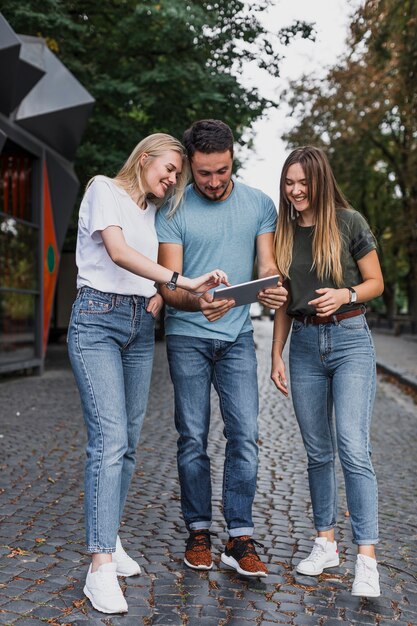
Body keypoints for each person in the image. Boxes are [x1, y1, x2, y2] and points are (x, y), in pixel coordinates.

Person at [67, 133, 228, 615]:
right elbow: (116, 253)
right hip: (95, 321)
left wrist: (157, 295)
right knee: (109, 438)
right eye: (170, 167)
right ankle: (98, 568)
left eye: (179, 172)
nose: (173, 177)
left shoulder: (152, 214)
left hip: (138, 326)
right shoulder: (103, 189)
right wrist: (177, 281)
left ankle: (109, 538)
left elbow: (147, 269)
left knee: (129, 441)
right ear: (144, 158)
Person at [156, 119, 288, 578]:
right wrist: (196, 299)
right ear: (191, 165)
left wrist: (273, 291)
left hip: (236, 338)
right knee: (192, 437)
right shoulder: (173, 208)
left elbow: (268, 265)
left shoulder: (259, 204)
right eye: (204, 173)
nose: (213, 182)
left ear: (234, 156)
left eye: (222, 171)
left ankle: (239, 536)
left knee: (245, 436)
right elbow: (168, 285)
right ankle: (197, 531)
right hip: (187, 335)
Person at [271, 146, 384, 597]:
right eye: (289, 182)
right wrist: (275, 354)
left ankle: (367, 558)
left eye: (303, 182)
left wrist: (345, 294)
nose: (295, 191)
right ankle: (325, 543)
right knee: (317, 452)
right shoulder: (282, 231)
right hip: (302, 346)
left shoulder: (349, 222)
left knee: (353, 447)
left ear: (319, 180)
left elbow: (376, 282)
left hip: (351, 339)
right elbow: (281, 302)